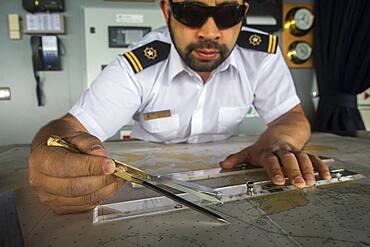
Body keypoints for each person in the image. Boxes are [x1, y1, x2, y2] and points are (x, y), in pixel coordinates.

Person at [28, 0, 331, 214]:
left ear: (243, 12)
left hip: (230, 184)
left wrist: (277, 144)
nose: (210, 32)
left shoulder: (260, 55)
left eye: (227, 14)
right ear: (167, 9)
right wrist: (54, 156)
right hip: (150, 190)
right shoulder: (138, 66)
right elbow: (69, 129)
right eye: (191, 12)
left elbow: (291, 117)